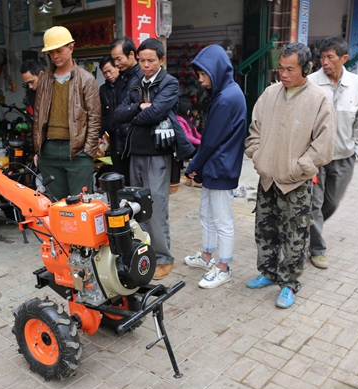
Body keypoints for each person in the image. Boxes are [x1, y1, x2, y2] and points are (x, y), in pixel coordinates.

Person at [244, 43, 336, 308]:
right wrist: (258, 156)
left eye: (289, 69)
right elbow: (255, 130)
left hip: (295, 182)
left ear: (305, 68)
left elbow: (324, 144)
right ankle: (268, 272)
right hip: (268, 179)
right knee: (265, 230)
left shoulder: (318, 99)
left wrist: (299, 167)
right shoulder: (270, 94)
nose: (282, 74)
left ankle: (289, 284)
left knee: (294, 236)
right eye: (280, 68)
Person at [114, 38, 194, 280]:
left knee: (156, 208)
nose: (146, 65)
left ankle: (164, 257)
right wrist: (140, 108)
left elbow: (158, 111)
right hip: (134, 154)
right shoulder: (135, 82)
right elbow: (118, 114)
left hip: (158, 156)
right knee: (137, 207)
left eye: (151, 60)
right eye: (142, 60)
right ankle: (144, 252)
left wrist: (135, 112)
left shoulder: (169, 83)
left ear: (161, 60)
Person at [182, 44, 247, 289]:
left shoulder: (226, 99)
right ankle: (207, 256)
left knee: (222, 220)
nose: (200, 80)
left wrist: (191, 167)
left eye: (202, 74)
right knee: (207, 213)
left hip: (220, 167)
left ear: (216, 70)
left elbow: (209, 142)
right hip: (217, 166)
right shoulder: (228, 93)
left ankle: (224, 267)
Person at [307, 36, 358, 269]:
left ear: (344, 58)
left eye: (329, 57)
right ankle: (316, 249)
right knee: (314, 204)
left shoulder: (356, 83)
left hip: (345, 156)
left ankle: (307, 228)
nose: (324, 62)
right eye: (321, 57)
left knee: (331, 203)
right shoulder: (311, 81)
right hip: (316, 158)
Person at [32, 26, 101, 201]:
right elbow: (38, 116)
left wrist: (88, 151)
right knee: (56, 205)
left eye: (59, 50)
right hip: (49, 151)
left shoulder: (86, 79)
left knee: (81, 206)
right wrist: (38, 148)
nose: (55, 56)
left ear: (71, 47)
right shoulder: (44, 80)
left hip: (78, 151)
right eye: (51, 52)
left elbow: (94, 118)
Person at [110, 37, 144, 185]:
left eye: (118, 59)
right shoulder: (122, 77)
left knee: (133, 188)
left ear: (131, 54)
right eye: (114, 60)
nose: (116, 63)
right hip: (120, 142)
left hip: (132, 144)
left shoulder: (140, 78)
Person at [99, 55, 119, 148]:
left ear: (117, 67)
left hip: (127, 133)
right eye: (104, 73)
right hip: (112, 134)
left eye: (109, 71)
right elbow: (102, 114)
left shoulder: (127, 85)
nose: (108, 75)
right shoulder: (103, 89)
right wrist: (100, 134)